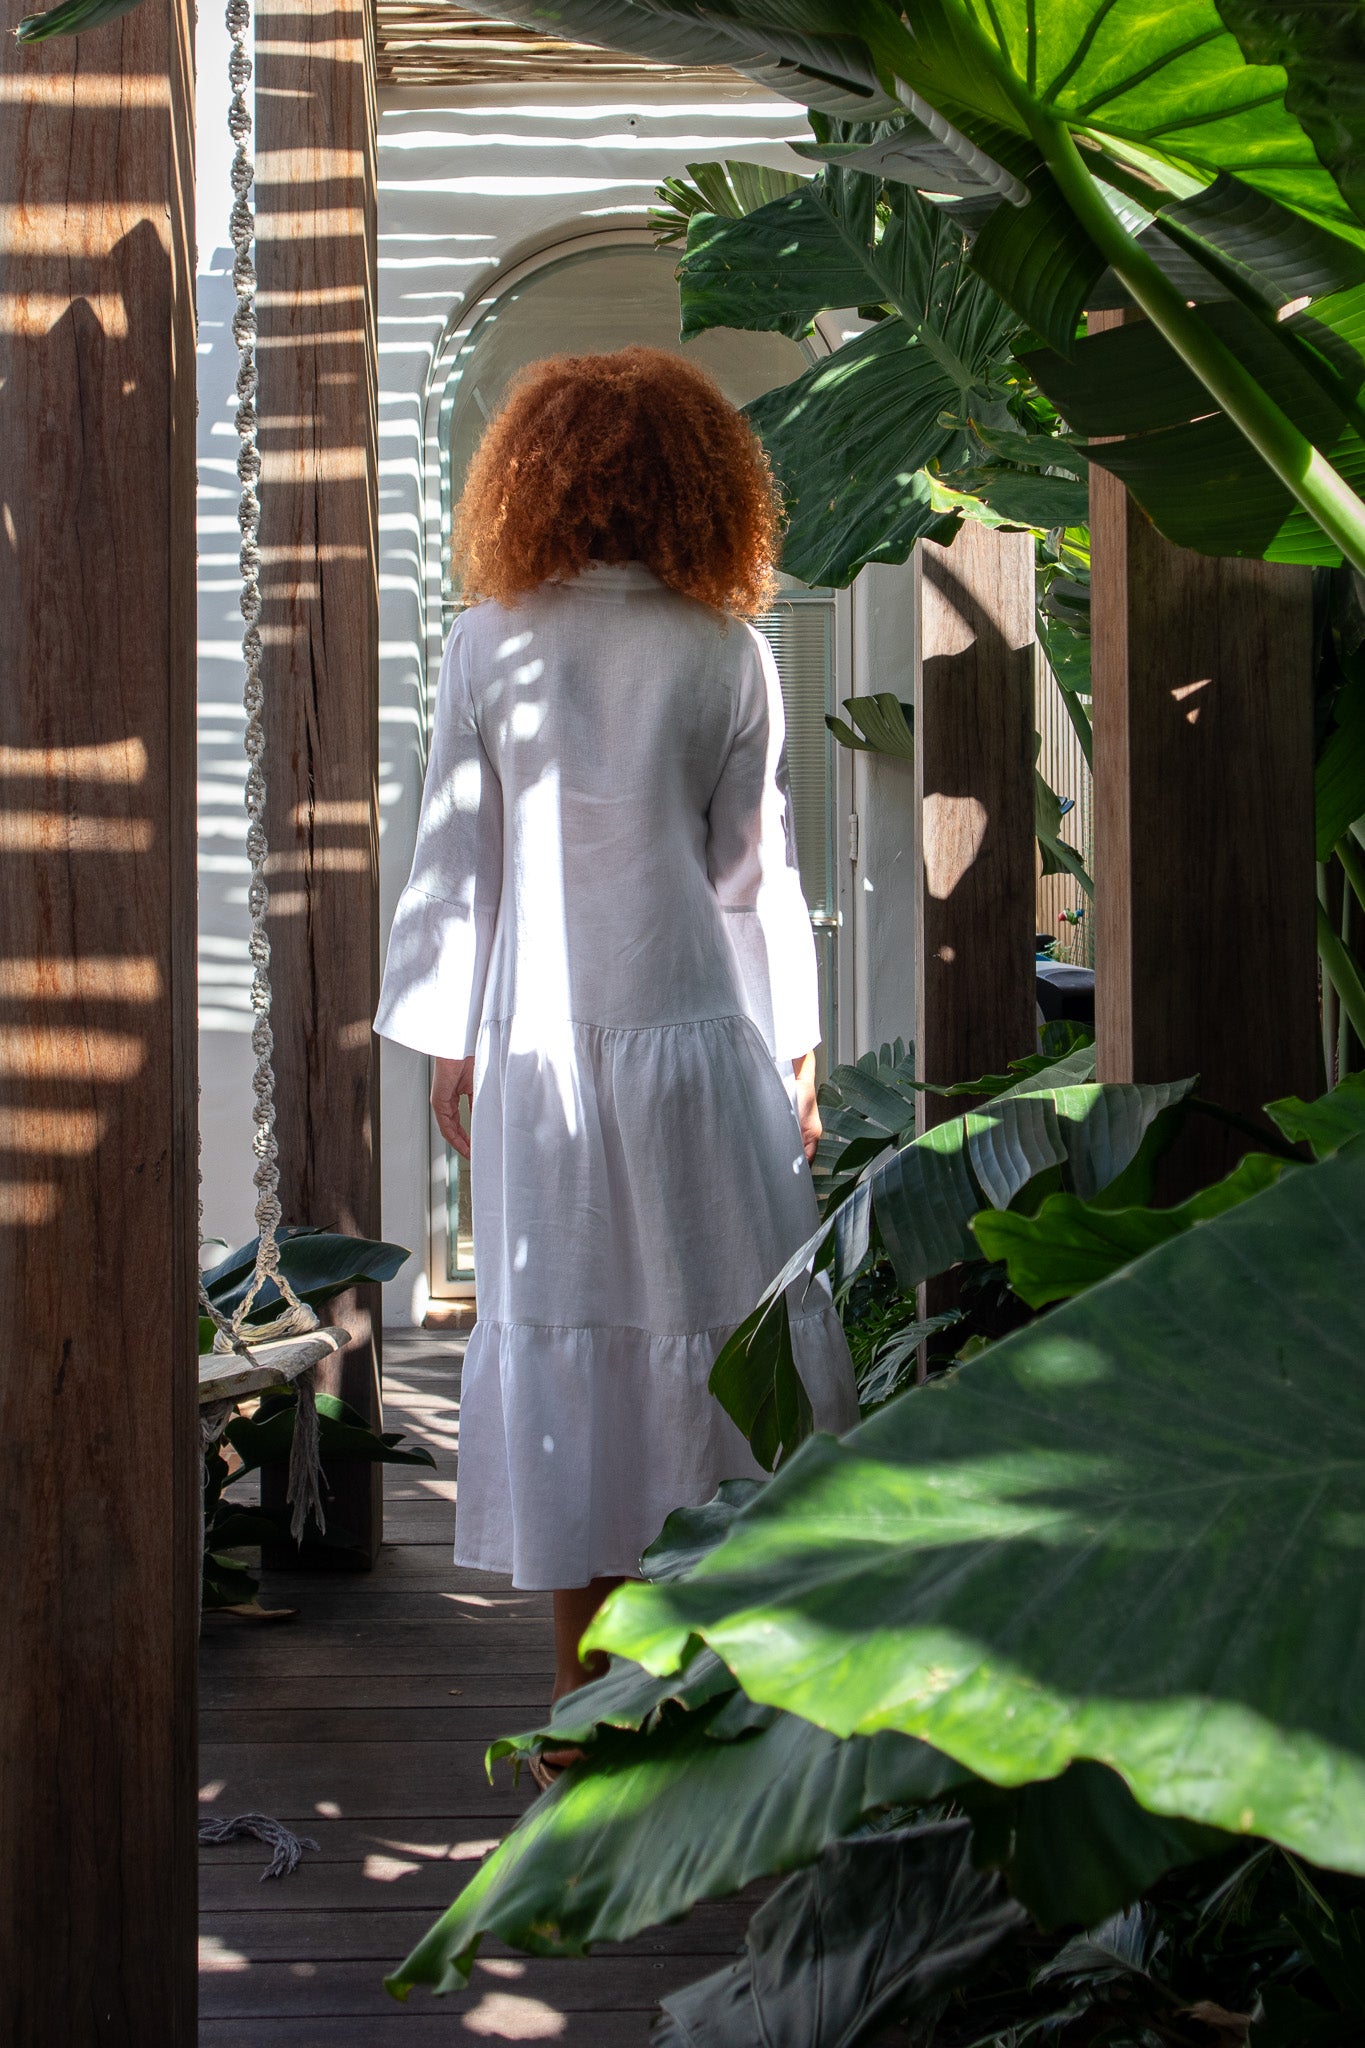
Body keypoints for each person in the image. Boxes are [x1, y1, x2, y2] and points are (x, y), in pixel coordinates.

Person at [374, 345, 858, 1743]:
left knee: (563, 1345)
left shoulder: (490, 639)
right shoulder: (729, 648)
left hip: (538, 1052)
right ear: (701, 484)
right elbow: (753, 878)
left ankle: (578, 1701)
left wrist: (450, 1046)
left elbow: (453, 863)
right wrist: (795, 1048)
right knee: (718, 1344)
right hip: (700, 1041)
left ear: (536, 477)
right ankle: (725, 1688)